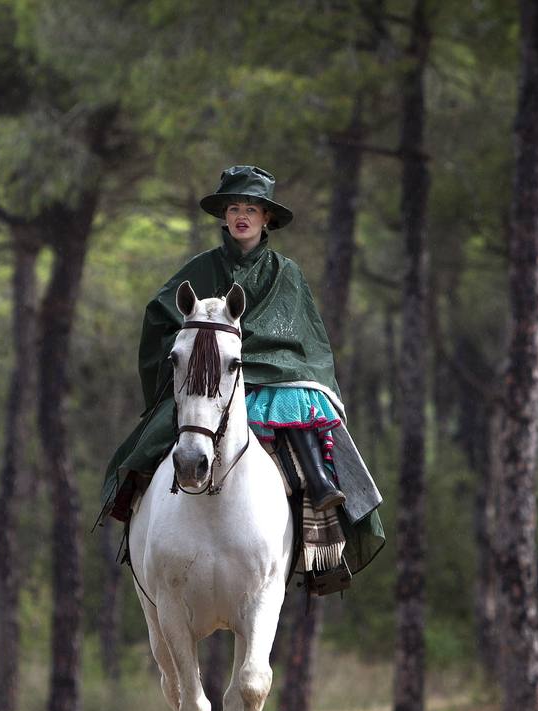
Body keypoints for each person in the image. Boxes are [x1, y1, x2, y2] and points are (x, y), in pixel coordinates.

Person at [99, 165, 383, 592]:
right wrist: (193, 362)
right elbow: (160, 317)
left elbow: (307, 339)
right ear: (225, 216)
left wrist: (287, 368)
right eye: (234, 208)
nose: (242, 216)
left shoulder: (287, 273)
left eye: (251, 208)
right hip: (209, 382)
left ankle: (324, 531)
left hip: (276, 375)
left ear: (266, 218)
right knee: (151, 441)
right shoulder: (201, 268)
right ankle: (136, 511)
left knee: (306, 406)